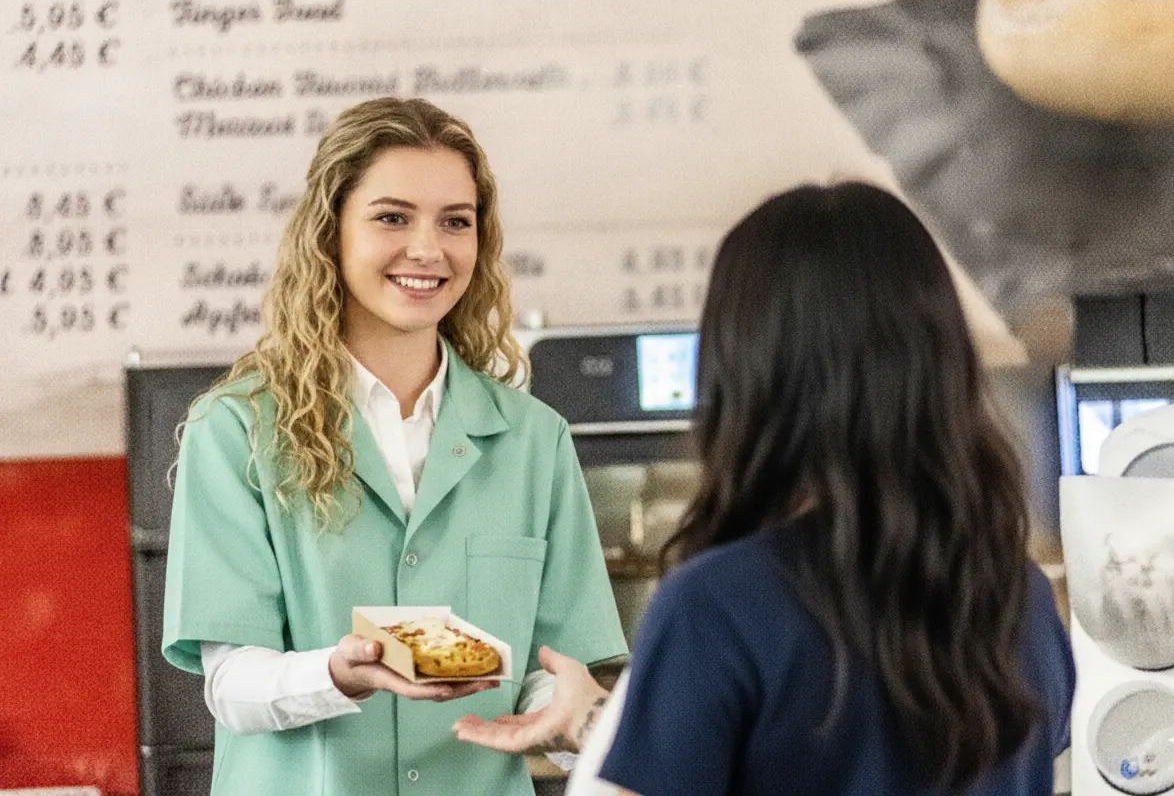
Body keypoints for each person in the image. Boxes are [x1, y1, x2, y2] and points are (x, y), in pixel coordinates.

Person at [454, 182, 1076, 795]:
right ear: (942, 367)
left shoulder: (717, 606)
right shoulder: (1018, 599)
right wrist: (606, 719)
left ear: (742, 375)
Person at [162, 96, 628, 796]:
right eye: (391, 217)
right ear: (331, 233)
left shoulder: (535, 441)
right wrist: (336, 673)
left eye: (455, 222)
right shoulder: (236, 431)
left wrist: (570, 717)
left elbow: (553, 673)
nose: (427, 249)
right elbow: (231, 683)